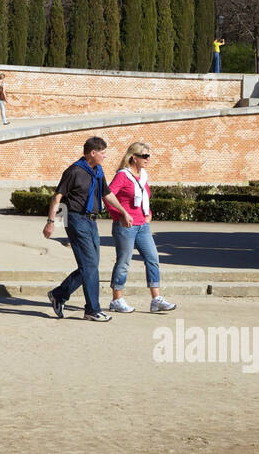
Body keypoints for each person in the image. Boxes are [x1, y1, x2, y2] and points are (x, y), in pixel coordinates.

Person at [43, 136, 131, 321]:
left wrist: (123, 211)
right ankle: (92, 309)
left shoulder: (98, 171)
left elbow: (107, 194)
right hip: (75, 219)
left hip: (92, 221)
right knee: (90, 265)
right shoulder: (74, 171)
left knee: (89, 265)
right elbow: (57, 197)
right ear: (93, 152)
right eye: (103, 152)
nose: (105, 156)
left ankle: (59, 295)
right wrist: (52, 223)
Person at [105, 141, 176, 314]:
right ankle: (116, 300)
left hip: (142, 225)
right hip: (125, 226)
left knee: (153, 258)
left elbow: (145, 195)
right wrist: (119, 215)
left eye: (149, 156)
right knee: (124, 262)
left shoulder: (143, 175)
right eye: (144, 156)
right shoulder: (123, 175)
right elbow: (107, 196)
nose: (148, 159)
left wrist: (148, 212)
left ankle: (156, 299)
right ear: (134, 157)